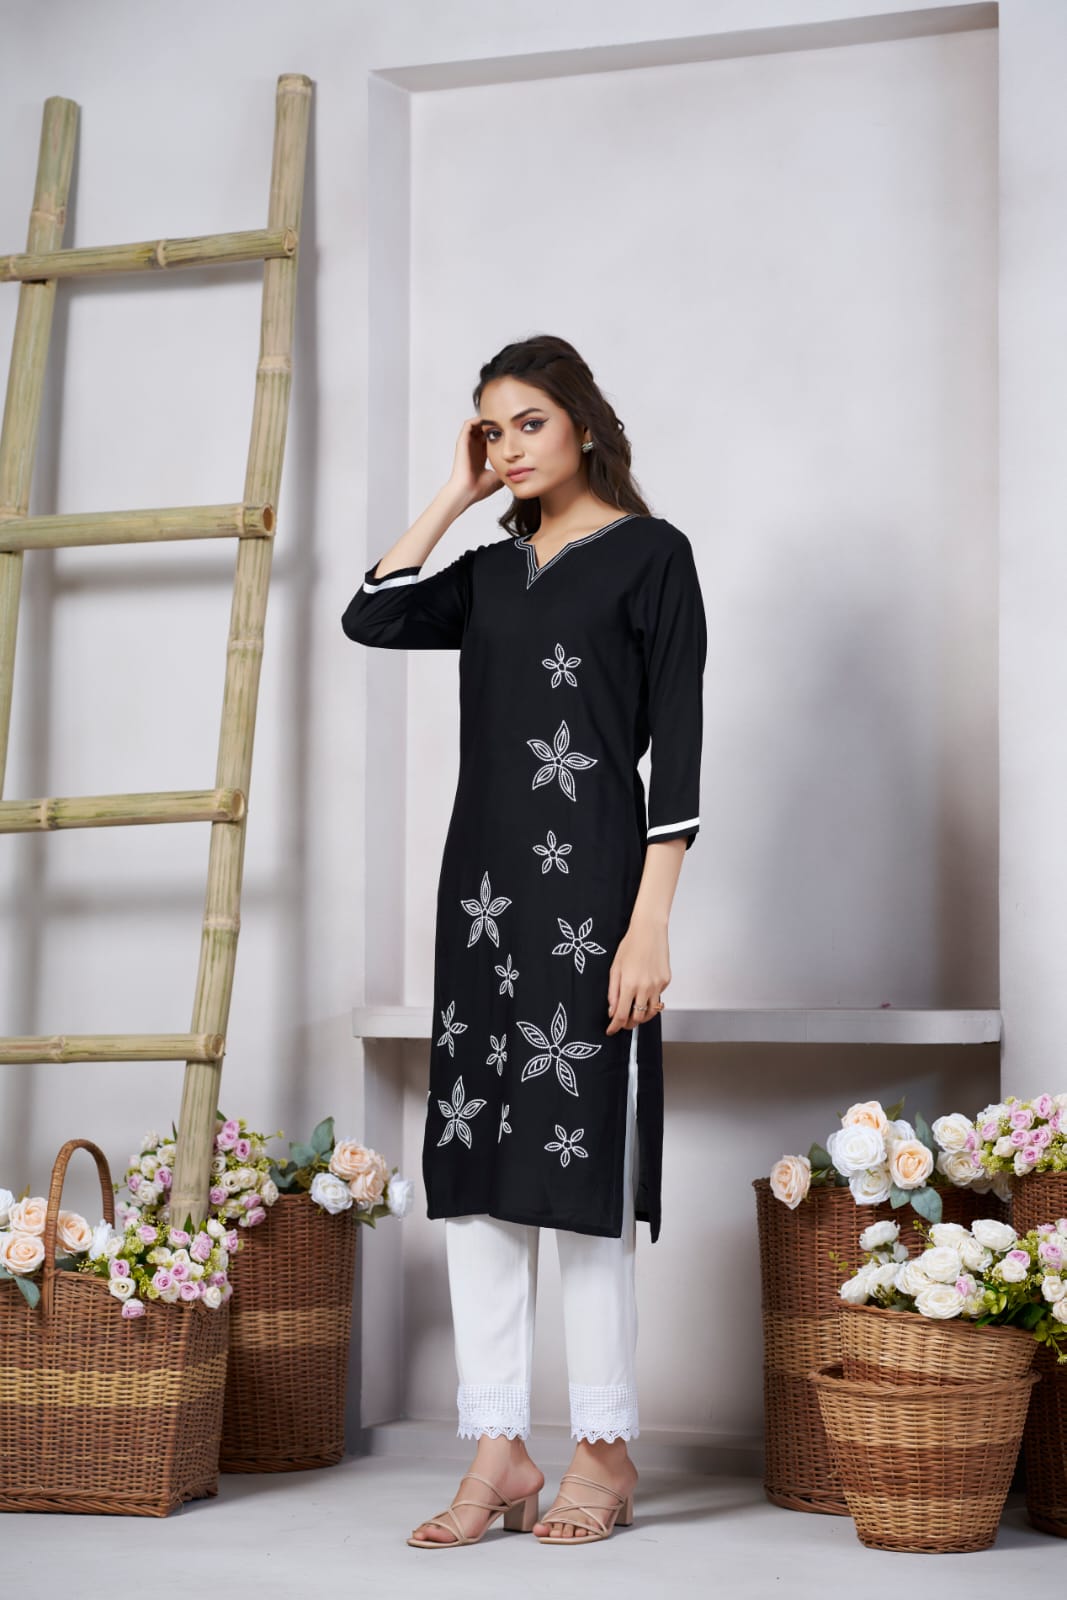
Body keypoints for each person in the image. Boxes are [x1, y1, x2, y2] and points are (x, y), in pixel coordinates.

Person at [342, 333, 706, 1547]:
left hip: (595, 900)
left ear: (584, 425)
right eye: (490, 429)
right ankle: (497, 1448)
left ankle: (602, 1450)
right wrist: (454, 492)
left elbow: (677, 755)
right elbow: (370, 615)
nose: (507, 446)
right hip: (481, 906)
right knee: (478, 1167)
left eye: (528, 423)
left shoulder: (651, 556)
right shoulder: (489, 573)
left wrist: (648, 923)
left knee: (579, 1167)